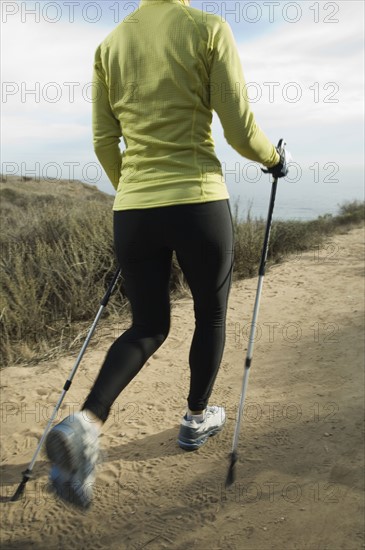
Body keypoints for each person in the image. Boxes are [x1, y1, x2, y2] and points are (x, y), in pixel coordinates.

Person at [45, 0, 289, 508]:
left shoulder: (110, 45)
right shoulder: (208, 29)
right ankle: (196, 420)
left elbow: (102, 141)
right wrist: (275, 159)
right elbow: (239, 129)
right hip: (198, 200)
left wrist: (133, 192)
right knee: (211, 313)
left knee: (148, 325)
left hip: (134, 210)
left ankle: (86, 422)